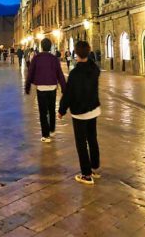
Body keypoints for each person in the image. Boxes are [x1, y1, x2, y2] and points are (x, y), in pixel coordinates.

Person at [58, 41, 101, 185]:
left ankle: (86, 175)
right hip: (93, 109)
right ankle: (94, 167)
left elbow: (69, 94)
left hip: (80, 112)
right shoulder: (94, 69)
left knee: (81, 143)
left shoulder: (75, 73)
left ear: (76, 53)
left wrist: (61, 110)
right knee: (92, 139)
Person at [25, 38, 67, 143]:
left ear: (41, 47)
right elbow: (60, 74)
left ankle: (45, 135)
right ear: (50, 47)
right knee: (52, 109)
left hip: (41, 88)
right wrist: (64, 88)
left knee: (43, 112)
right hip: (52, 87)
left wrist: (27, 86)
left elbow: (30, 73)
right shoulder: (54, 59)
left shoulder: (36, 58)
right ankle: (52, 129)